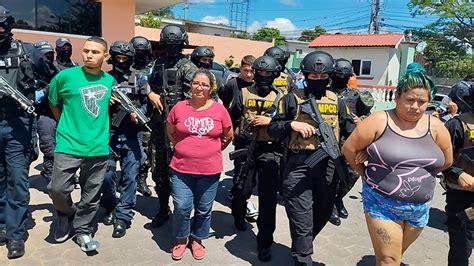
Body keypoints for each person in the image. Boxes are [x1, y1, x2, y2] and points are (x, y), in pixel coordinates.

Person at [342, 63, 453, 265]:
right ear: (397, 97)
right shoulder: (379, 120)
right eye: (409, 100)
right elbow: (349, 149)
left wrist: (419, 174)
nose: (415, 106)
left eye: (422, 101)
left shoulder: (436, 126)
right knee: (389, 259)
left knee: (396, 254)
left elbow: (447, 161)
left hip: (420, 208)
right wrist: (364, 173)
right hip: (381, 203)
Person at [268, 51, 355, 265]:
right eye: (313, 77)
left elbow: (350, 130)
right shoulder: (291, 98)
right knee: (301, 216)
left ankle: (302, 244)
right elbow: (272, 128)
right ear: (306, 75)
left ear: (330, 76)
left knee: (323, 212)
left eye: (323, 76)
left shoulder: (337, 101)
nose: (318, 80)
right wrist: (291, 125)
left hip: (328, 166)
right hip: (298, 165)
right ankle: (303, 257)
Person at [47, 36, 114, 252]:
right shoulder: (65, 77)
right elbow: (53, 102)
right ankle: (66, 213)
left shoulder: (109, 81)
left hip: (97, 146)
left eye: (95, 52)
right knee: (57, 189)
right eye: (86, 51)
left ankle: (82, 229)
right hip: (68, 143)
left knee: (91, 194)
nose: (89, 55)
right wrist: (64, 125)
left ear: (105, 56)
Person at [167, 69, 233, 260]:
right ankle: (181, 239)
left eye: (204, 84)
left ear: (211, 88)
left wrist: (210, 150)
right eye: (196, 83)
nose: (200, 87)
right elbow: (170, 131)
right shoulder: (179, 107)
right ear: (190, 85)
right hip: (181, 169)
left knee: (204, 208)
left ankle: (197, 239)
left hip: (209, 170)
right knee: (182, 206)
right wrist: (182, 147)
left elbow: (228, 136)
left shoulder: (220, 110)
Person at [228, 55, 283, 262]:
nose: (263, 77)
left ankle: (264, 241)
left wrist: (271, 121)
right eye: (260, 72)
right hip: (245, 147)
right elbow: (231, 115)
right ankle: (238, 215)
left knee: (268, 199)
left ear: (274, 75)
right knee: (242, 188)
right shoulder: (243, 92)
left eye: (268, 73)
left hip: (270, 150)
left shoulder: (281, 97)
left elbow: (287, 123)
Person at [148, 25, 198, 228]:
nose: (171, 48)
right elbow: (146, 82)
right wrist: (150, 93)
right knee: (159, 169)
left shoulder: (189, 68)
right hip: (159, 126)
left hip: (180, 129)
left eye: (175, 44)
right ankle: (162, 207)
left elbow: (195, 99)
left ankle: (183, 211)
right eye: (168, 44)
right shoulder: (157, 64)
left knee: (182, 172)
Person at [100, 41, 148, 238]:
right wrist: (106, 101)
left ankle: (123, 216)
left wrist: (139, 114)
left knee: (130, 177)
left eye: (125, 59)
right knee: (106, 176)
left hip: (131, 134)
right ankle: (110, 205)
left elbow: (147, 105)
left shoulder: (139, 79)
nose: (121, 61)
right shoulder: (103, 79)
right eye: (118, 58)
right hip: (108, 133)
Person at [0, 6, 36, 259]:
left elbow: (50, 78)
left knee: (17, 180)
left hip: (18, 125)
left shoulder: (26, 51)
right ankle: (3, 224)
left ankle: (15, 234)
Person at [328, 58, 374, 226]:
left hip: (349, 140)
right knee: (330, 174)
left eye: (344, 75)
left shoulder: (355, 95)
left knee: (352, 173)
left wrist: (360, 119)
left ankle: (339, 198)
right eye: (338, 75)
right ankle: (330, 204)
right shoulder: (325, 93)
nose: (341, 78)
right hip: (329, 139)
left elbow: (368, 116)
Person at [442, 76, 474, 266]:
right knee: (462, 247)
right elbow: (440, 160)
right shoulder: (457, 124)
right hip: (463, 199)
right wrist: (459, 174)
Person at [130, 36, 154, 197]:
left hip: (147, 116)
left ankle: (141, 179)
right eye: (137, 52)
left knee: (144, 152)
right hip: (127, 115)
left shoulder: (153, 69)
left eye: (143, 52)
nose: (140, 56)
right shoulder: (125, 68)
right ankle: (128, 179)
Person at [33, 40, 59, 183]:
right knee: (49, 149)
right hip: (43, 115)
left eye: (50, 55)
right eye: (44, 55)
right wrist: (45, 91)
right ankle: (50, 176)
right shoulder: (29, 72)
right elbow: (31, 98)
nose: (47, 58)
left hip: (60, 114)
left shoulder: (56, 72)